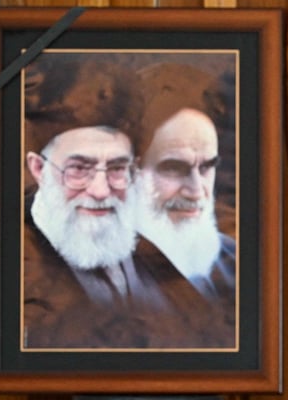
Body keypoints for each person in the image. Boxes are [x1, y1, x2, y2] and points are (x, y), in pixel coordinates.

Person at [123, 64, 237, 349]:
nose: (197, 190)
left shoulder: (234, 262)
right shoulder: (94, 276)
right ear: (129, 171)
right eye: (174, 168)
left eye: (207, 167)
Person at [23, 124, 149, 348]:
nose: (100, 191)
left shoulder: (149, 251)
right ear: (39, 169)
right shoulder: (6, 258)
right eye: (79, 169)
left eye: (117, 168)